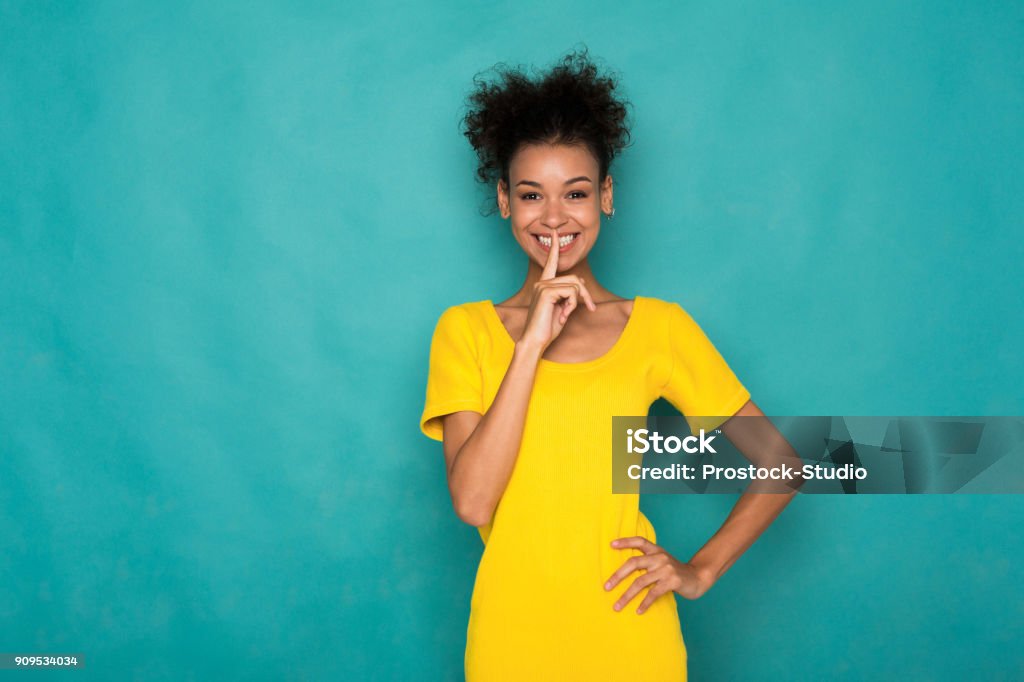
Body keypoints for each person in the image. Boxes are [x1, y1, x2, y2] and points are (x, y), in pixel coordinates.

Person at [419, 47, 800, 681]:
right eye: (531, 194)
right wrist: (531, 345)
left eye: (575, 193)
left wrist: (698, 570)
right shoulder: (467, 332)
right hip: (511, 645)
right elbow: (474, 502)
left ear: (607, 196)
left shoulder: (657, 328)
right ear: (505, 201)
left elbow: (781, 465)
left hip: (632, 641)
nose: (555, 217)